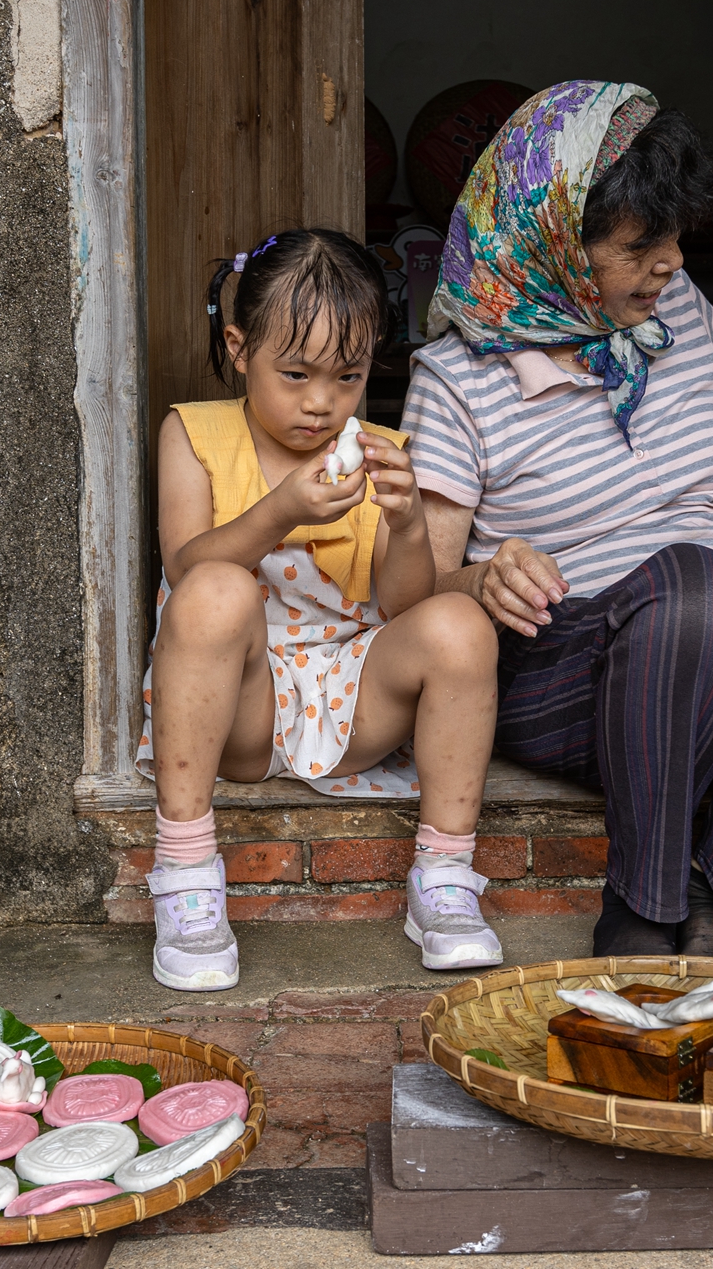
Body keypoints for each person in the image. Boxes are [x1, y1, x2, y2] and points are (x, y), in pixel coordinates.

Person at [402, 81, 713, 961]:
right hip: (583, 672)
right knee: (698, 588)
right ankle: (643, 903)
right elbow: (417, 586)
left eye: (677, 237)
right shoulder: (459, 380)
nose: (673, 262)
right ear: (557, 241)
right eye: (642, 245)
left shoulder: (673, 310)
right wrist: (484, 579)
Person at [138, 229, 504, 992]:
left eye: (347, 377)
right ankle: (185, 875)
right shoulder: (194, 434)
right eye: (296, 373)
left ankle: (443, 878)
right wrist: (281, 511)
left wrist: (404, 525)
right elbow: (184, 564)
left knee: (460, 625)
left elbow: (404, 609)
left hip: (348, 700)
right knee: (217, 588)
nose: (321, 403)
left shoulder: (377, 447)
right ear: (238, 349)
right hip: (240, 704)